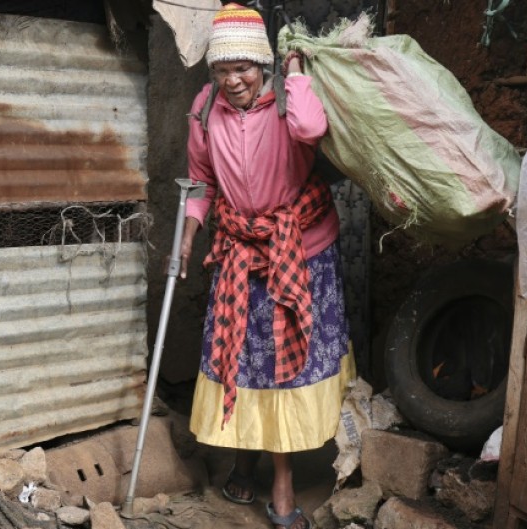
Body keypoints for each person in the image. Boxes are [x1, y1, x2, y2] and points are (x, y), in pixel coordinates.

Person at [176, 4, 355, 529]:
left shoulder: (287, 102)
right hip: (239, 249)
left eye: (244, 69)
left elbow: (310, 128)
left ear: (263, 65)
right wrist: (188, 234)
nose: (233, 81)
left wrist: (295, 73)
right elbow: (200, 183)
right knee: (244, 361)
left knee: (282, 367)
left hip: (299, 249)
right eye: (221, 70)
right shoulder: (205, 108)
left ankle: (282, 483)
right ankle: (245, 456)